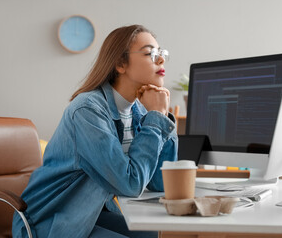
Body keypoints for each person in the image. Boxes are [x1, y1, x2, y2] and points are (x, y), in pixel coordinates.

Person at [12, 24, 178, 238]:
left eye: (161, 53)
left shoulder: (138, 110)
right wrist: (156, 119)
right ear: (120, 63)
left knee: (150, 233)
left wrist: (162, 117)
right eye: (149, 53)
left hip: (90, 213)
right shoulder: (87, 110)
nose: (161, 60)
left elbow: (160, 183)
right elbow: (130, 184)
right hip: (53, 222)